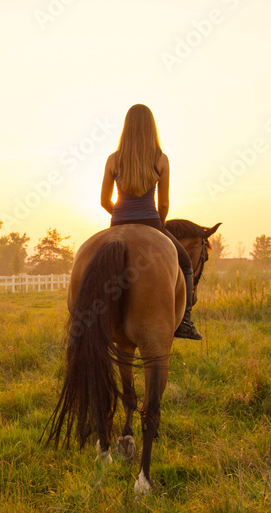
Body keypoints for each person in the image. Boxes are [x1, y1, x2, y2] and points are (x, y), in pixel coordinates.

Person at [100, 103, 202, 340]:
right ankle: (185, 321)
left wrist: (119, 216)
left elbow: (104, 200)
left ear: (126, 128)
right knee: (185, 264)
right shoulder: (160, 159)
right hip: (151, 222)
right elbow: (164, 204)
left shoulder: (113, 160)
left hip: (118, 224)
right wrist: (160, 226)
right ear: (151, 128)